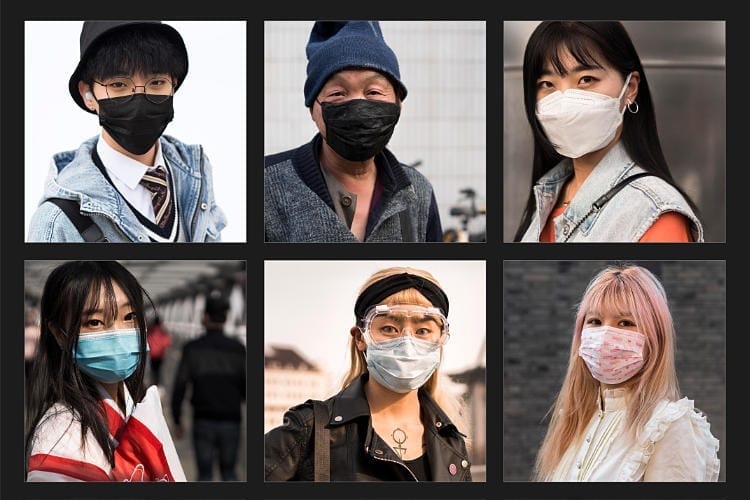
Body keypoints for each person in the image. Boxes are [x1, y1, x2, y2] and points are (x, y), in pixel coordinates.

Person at [265, 267, 472, 481]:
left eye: (422, 331)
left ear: (440, 340)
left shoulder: (452, 443)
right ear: (360, 338)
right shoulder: (309, 430)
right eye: (389, 328)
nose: (407, 344)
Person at [27, 20, 226, 242]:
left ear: (173, 85)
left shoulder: (196, 171)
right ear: (88, 94)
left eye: (157, 82)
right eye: (119, 85)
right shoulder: (57, 220)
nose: (139, 101)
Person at [513, 21, 703, 242]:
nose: (565, 101)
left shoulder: (656, 214)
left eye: (586, 80)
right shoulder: (548, 194)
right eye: (547, 84)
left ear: (630, 88)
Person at [533, 264, 720, 481]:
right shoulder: (574, 421)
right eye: (595, 321)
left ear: (654, 338)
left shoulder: (668, 426)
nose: (605, 334)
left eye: (625, 323)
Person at [264, 21, 443, 242]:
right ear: (313, 109)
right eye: (338, 93)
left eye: (374, 92)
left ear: (398, 103)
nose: (358, 104)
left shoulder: (418, 191)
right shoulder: (265, 183)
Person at [25, 261, 185, 481]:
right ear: (59, 334)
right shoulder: (59, 444)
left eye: (129, 317)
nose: (119, 334)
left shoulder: (133, 403)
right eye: (95, 322)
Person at [171, 290, 246, 481]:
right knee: (229, 472)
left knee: (204, 475)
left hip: (203, 419)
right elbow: (246, 387)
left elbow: (180, 384)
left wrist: (177, 419)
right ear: (226, 316)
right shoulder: (238, 349)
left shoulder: (192, 348)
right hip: (232, 419)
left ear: (205, 316)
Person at [146, 314, 172, 387]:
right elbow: (167, 342)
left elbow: (148, 340)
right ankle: (157, 383)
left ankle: (152, 383)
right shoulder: (163, 331)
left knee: (153, 370)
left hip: (152, 354)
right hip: (160, 355)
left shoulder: (151, 330)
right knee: (159, 370)